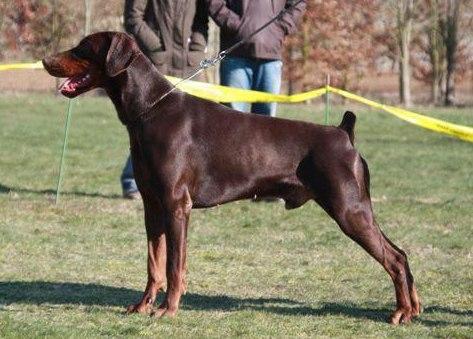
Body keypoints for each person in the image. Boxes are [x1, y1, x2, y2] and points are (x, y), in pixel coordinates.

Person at [121, 0, 209, 199]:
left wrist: (197, 47)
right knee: (149, 128)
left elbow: (202, 20)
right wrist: (156, 47)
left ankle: (188, 181)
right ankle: (132, 180)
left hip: (188, 64)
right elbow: (133, 18)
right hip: (156, 65)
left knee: (188, 129)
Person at [206, 0, 306, 117]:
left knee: (267, 125)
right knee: (231, 122)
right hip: (235, 54)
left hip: (271, 56)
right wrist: (236, 25)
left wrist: (280, 27)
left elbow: (298, 3)